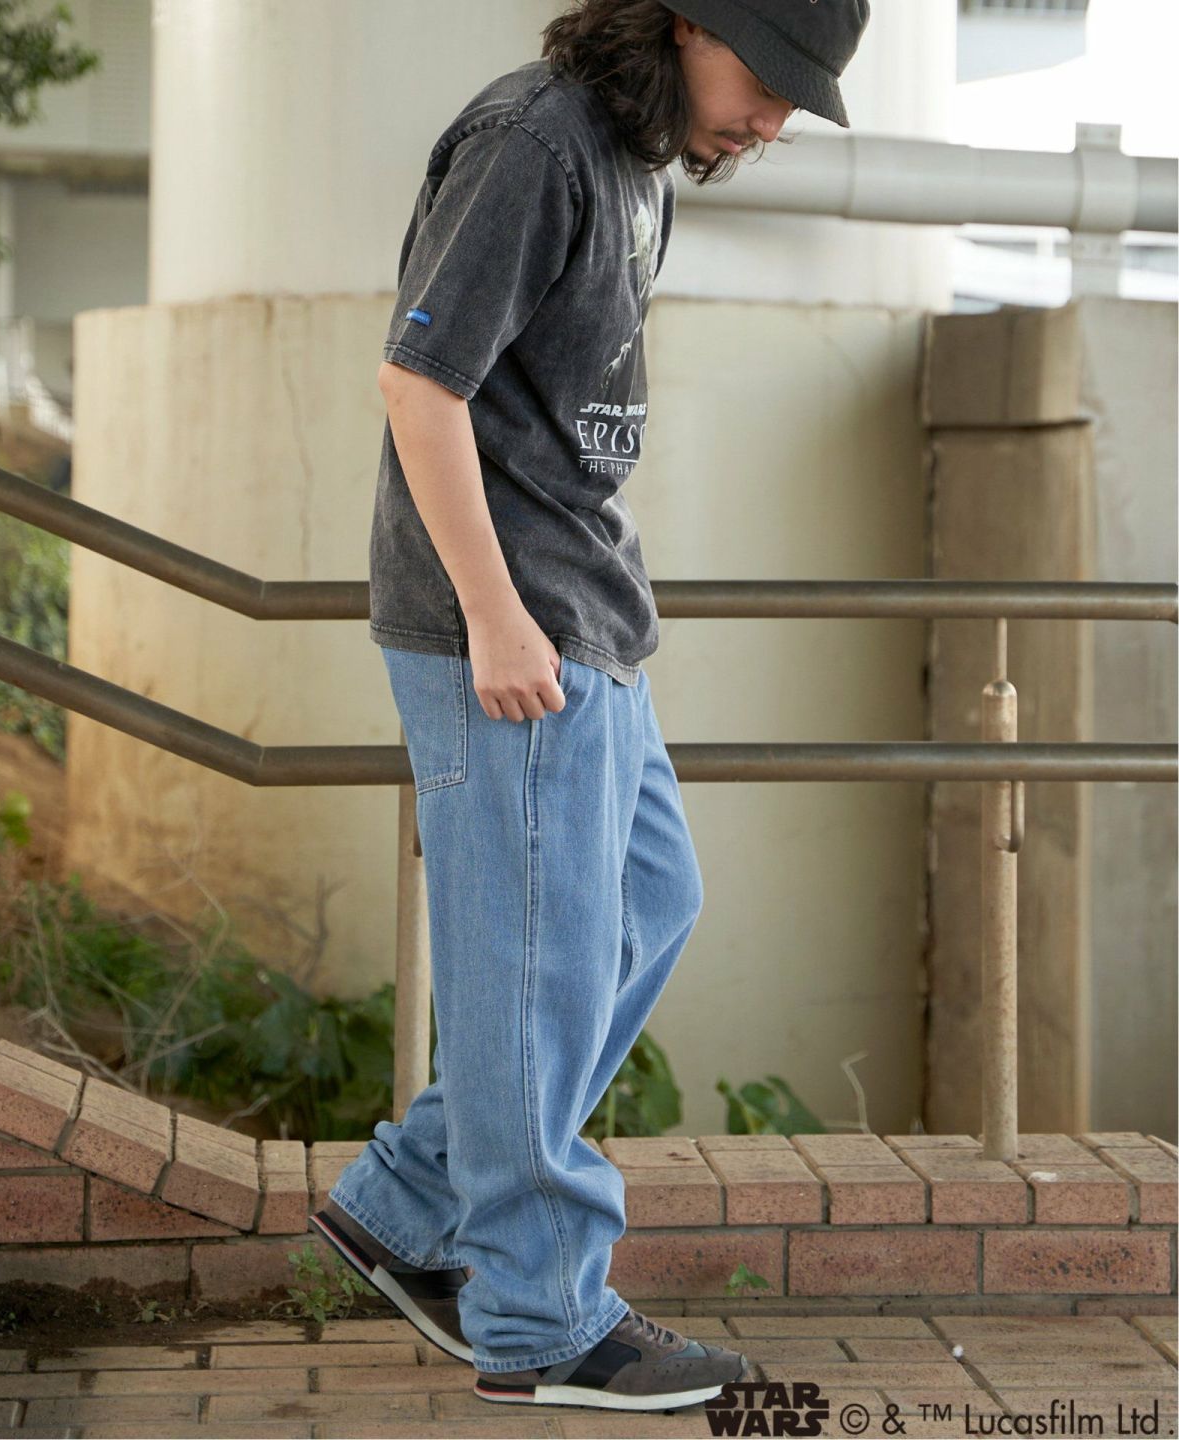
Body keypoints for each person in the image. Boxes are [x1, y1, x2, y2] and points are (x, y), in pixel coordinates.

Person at [311, 0, 870, 1412]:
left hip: (589, 617)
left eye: (800, 102)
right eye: (770, 81)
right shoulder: (535, 143)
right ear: (688, 24)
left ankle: (410, 1200)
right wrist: (496, 617)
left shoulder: (635, 164)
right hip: (511, 631)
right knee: (536, 975)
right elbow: (418, 387)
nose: (775, 121)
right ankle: (541, 1316)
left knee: (647, 904)